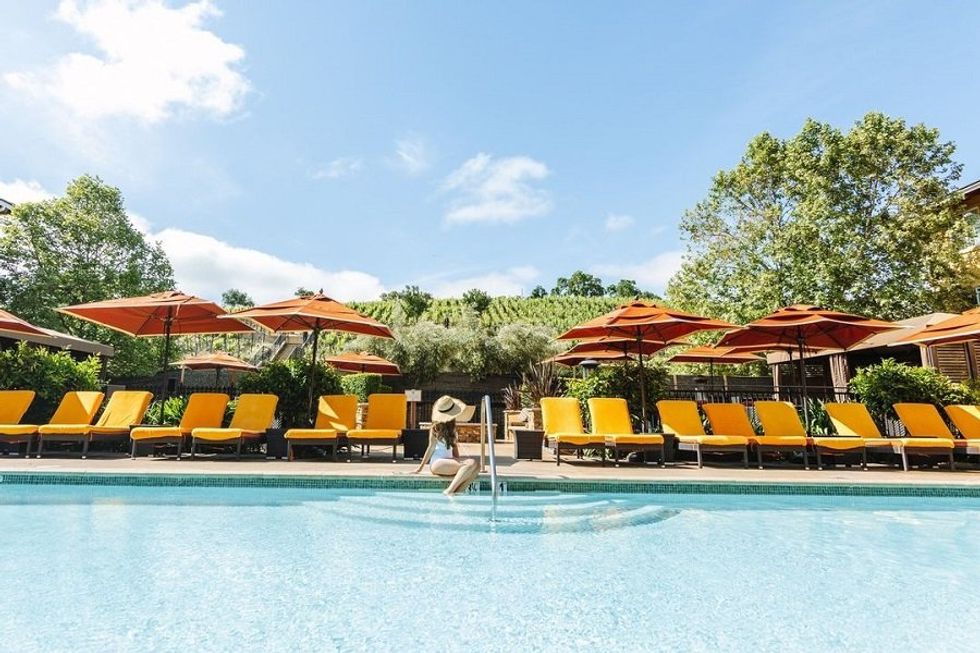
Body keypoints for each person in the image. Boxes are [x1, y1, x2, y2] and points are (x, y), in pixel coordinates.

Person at [411, 395, 481, 496]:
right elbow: (430, 448)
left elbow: (454, 447)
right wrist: (420, 468)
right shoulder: (436, 428)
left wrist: (458, 459)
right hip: (437, 462)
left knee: (476, 466)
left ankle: (459, 491)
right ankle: (449, 491)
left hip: (449, 461)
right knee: (469, 465)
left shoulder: (452, 428)